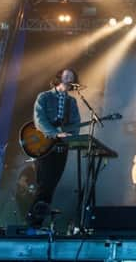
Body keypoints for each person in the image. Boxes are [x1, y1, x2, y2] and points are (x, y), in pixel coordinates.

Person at [27, 68, 81, 228]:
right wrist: (54, 133)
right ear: (59, 77)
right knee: (43, 183)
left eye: (72, 76)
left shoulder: (72, 102)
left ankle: (37, 223)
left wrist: (70, 134)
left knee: (51, 184)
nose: (70, 77)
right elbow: (39, 119)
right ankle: (32, 222)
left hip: (61, 146)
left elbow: (75, 122)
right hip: (43, 143)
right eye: (67, 75)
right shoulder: (44, 96)